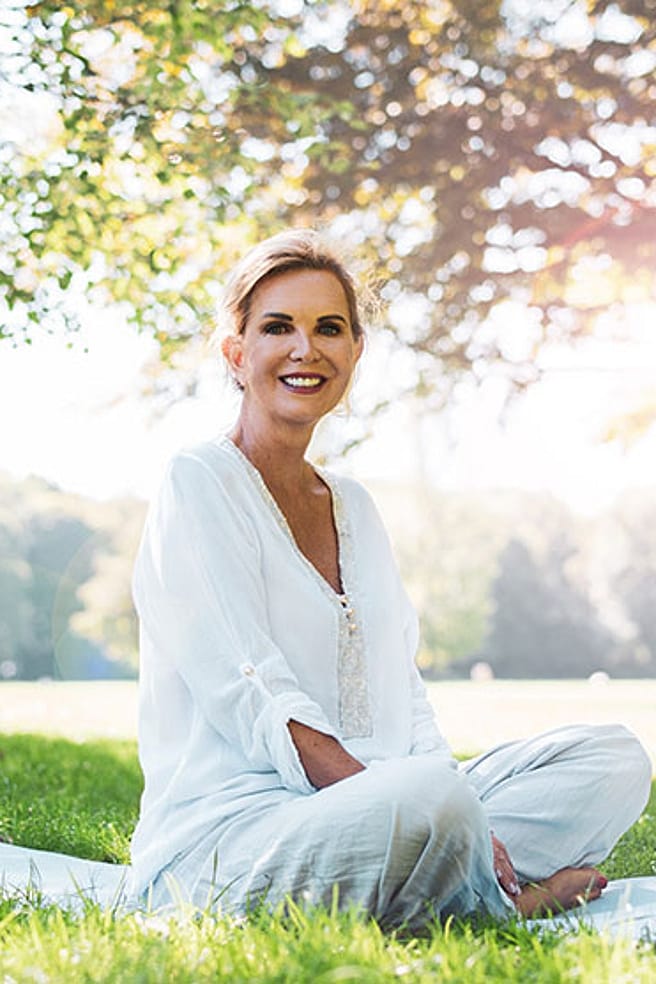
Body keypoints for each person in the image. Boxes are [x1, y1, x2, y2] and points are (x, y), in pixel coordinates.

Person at [128, 229, 652, 928]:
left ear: (354, 352)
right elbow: (250, 688)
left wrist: (448, 800)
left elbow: (403, 691)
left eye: (329, 329)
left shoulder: (355, 507)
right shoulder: (198, 482)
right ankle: (504, 905)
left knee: (612, 758)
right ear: (237, 351)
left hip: (389, 805)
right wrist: (429, 801)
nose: (304, 349)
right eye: (277, 327)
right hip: (235, 839)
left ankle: (452, 870)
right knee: (426, 803)